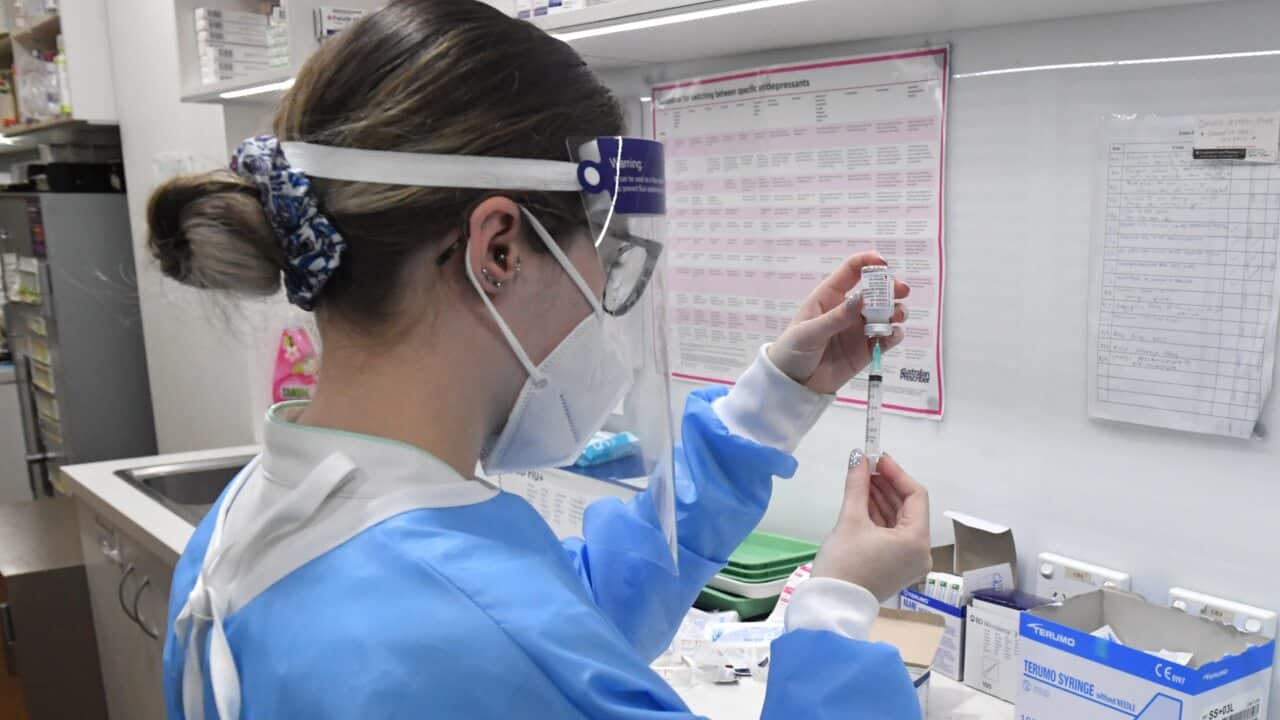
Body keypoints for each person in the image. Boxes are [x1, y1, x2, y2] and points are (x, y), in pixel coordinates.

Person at [147, 1, 931, 718]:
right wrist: (836, 606)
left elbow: (566, 619)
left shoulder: (259, 518)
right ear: (500, 248)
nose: (605, 295)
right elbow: (527, 643)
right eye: (607, 254)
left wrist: (771, 403)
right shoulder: (466, 630)